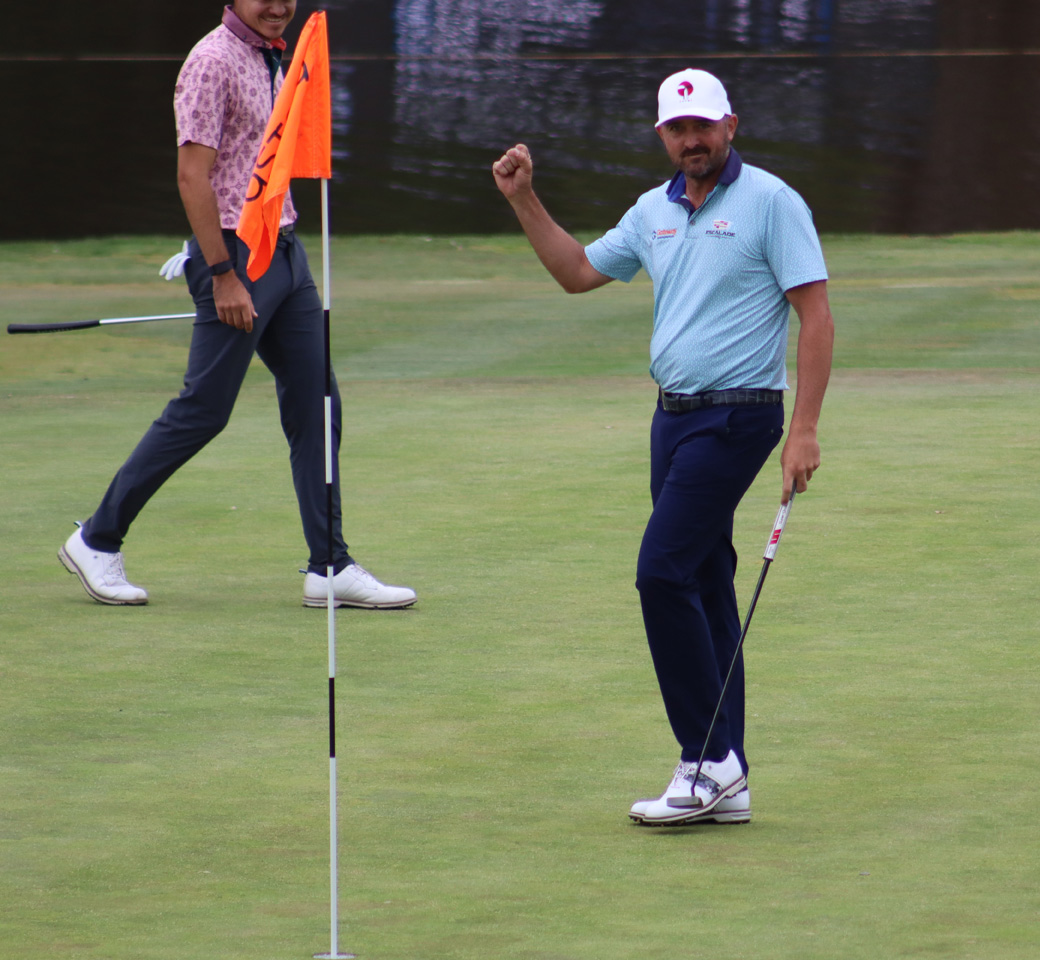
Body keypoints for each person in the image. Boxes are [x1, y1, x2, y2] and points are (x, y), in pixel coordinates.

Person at [492, 68, 834, 825]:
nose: (691, 140)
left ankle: (704, 760)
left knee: (661, 572)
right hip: (672, 419)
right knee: (706, 583)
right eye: (677, 129)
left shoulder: (772, 202)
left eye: (703, 126)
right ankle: (728, 774)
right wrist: (523, 199)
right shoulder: (652, 210)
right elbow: (577, 272)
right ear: (661, 136)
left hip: (740, 415)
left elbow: (815, 315)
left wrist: (804, 429)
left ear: (730, 125)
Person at [58, 0, 415, 610]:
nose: (278, 6)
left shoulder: (275, 57)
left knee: (317, 402)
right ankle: (96, 538)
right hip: (236, 255)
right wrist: (222, 273)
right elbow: (191, 176)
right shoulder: (211, 60)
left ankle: (329, 564)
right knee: (204, 409)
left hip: (285, 248)